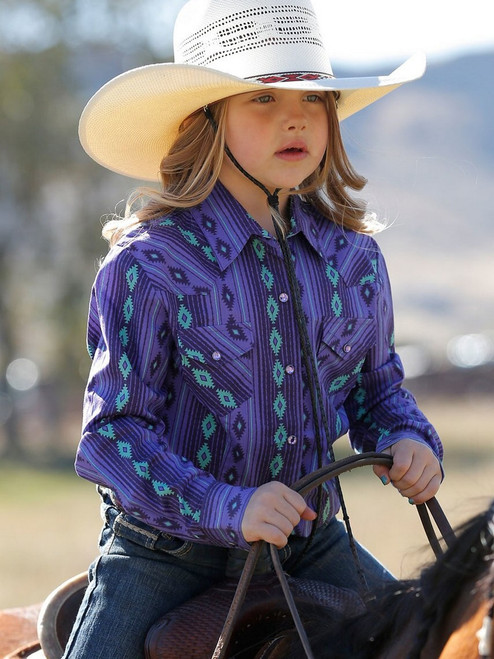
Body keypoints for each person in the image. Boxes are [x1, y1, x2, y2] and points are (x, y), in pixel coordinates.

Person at [65, 0, 443, 656]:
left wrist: (407, 437)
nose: (295, 114)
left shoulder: (354, 260)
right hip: (164, 553)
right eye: (261, 99)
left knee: (426, 638)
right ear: (205, 123)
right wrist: (226, 505)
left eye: (313, 98)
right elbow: (113, 436)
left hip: (308, 541)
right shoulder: (147, 264)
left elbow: (377, 391)